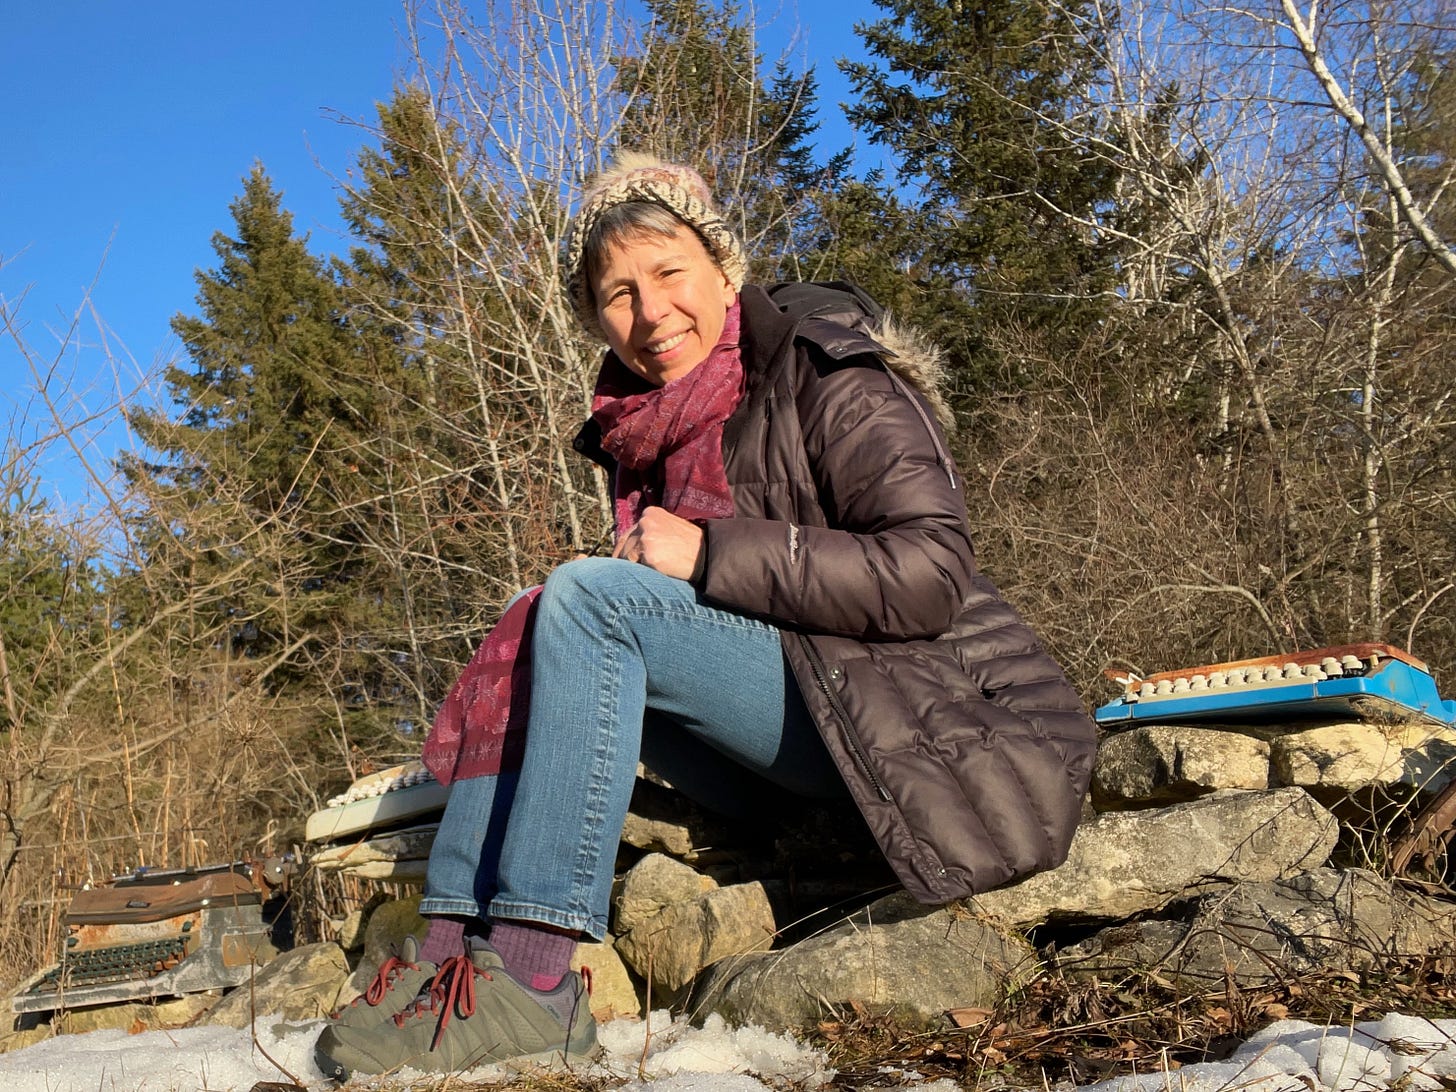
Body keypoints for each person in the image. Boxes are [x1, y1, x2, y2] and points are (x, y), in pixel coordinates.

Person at [314, 154, 1097, 1079]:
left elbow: (929, 572)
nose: (649, 314)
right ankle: (448, 956)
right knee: (535, 615)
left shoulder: (829, 370)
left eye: (668, 273)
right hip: (792, 726)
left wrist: (713, 552)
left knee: (584, 599)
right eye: (616, 293)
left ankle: (531, 978)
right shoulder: (648, 430)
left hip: (915, 717)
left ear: (725, 269)